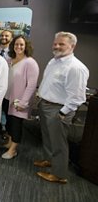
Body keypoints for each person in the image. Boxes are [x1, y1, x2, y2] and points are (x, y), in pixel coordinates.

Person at [35, 32, 89, 184]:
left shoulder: (76, 68)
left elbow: (77, 97)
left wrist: (62, 113)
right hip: (45, 104)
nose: (57, 46)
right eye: (55, 43)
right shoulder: (54, 61)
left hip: (58, 109)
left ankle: (59, 175)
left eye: (61, 44)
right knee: (47, 137)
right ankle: (49, 160)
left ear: (72, 46)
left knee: (59, 143)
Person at [2, 35, 39, 159]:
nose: (18, 47)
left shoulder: (30, 62)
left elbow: (32, 85)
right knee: (9, 123)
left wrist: (23, 102)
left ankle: (13, 150)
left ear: (26, 46)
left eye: (21, 44)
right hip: (7, 98)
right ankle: (9, 143)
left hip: (18, 101)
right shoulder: (9, 60)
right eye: (16, 44)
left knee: (16, 125)